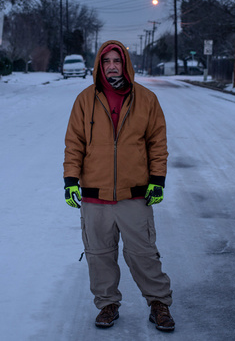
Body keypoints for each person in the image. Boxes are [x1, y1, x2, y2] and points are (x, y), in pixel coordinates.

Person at [63, 40, 175, 332]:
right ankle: (107, 304)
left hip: (134, 193)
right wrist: (70, 181)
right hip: (94, 195)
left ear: (126, 63)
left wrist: (157, 180)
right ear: (98, 65)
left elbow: (157, 144)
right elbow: (74, 143)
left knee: (144, 254)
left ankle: (158, 304)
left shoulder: (147, 99)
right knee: (99, 255)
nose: (112, 66)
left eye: (117, 60)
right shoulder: (85, 99)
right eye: (106, 61)